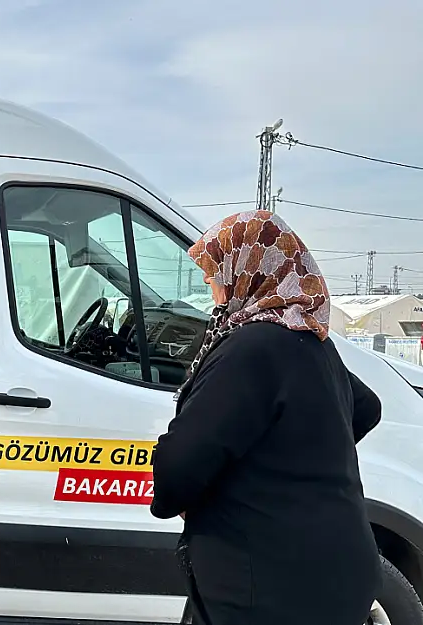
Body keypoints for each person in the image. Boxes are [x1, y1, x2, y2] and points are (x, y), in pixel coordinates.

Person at [149, 210, 382, 625]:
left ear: (248, 269)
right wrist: (288, 467)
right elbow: (365, 407)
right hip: (334, 569)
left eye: (215, 268)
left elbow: (178, 465)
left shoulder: (253, 348)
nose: (207, 280)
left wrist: (244, 486)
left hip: (269, 581)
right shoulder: (311, 342)